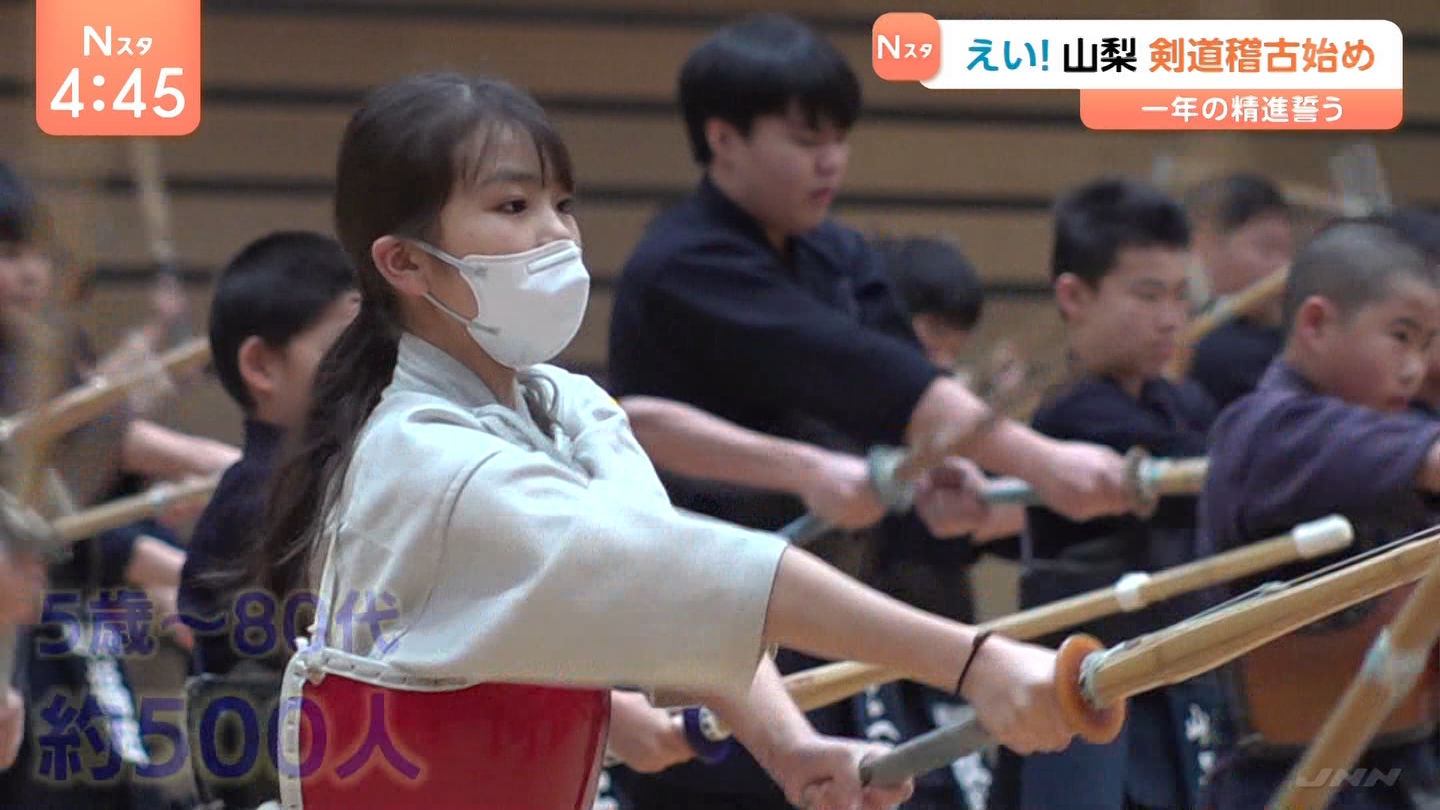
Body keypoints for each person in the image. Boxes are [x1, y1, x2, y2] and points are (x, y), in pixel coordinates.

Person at [255, 70, 1103, 810]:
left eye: (562, 204)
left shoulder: (570, 408)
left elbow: (674, 591)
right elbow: (685, 574)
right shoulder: (422, 456)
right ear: (405, 263)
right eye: (514, 206)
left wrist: (789, 747)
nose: (557, 233)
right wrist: (974, 662)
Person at [606, 16, 1132, 809]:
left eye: (840, 140)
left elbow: (900, 393)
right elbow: (855, 372)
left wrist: (944, 468)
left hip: (833, 621)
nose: (832, 162)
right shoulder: (683, 263)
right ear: (723, 138)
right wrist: (1043, 462)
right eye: (805, 140)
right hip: (701, 626)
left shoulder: (840, 254)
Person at [986, 176, 1221, 810]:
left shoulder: (1182, 403)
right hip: (1084, 695)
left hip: (1174, 686)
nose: (1170, 318)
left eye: (1180, 295)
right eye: (1147, 295)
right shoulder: (1072, 416)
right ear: (1074, 296)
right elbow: (1199, 472)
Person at [1200, 221, 1440, 810]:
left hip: (1393, 766)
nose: (1415, 367)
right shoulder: (1268, 429)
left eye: (1427, 345)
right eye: (1401, 337)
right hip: (1292, 778)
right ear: (1315, 324)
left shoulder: (1391, 427)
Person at [0, 162, 189, 808]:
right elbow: (90, 442)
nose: (31, 274)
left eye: (37, 256)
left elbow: (98, 451)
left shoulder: (50, 346)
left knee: (102, 773)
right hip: (30, 618)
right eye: (8, 256)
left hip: (63, 611)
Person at [1183, 173, 1296, 410]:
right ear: (1204, 244)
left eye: (1287, 252)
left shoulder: (1280, 332)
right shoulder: (1210, 346)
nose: (1283, 268)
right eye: (1267, 249)